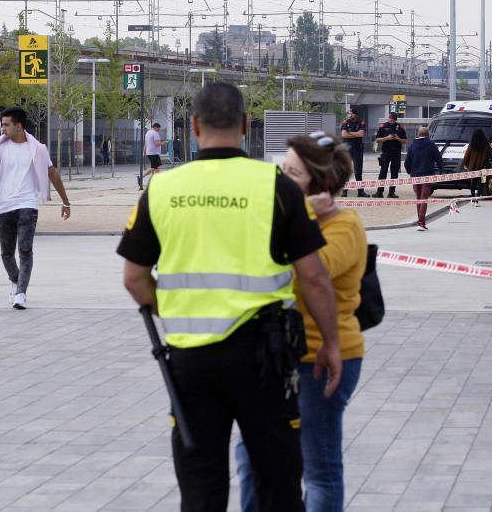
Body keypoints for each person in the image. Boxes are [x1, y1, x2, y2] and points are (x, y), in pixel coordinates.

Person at [118, 83, 342, 511]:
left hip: (190, 361)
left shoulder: (162, 189)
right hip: (265, 359)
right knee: (277, 482)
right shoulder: (277, 185)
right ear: (245, 125)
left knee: (201, 487)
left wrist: (176, 308)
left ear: (195, 125)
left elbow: (134, 279)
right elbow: (314, 278)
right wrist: (330, 343)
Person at [235, 131, 368, 512]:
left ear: (319, 184)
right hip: (274, 355)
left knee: (318, 468)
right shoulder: (280, 215)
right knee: (251, 457)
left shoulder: (344, 226)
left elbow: (311, 273)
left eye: (292, 173)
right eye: (282, 169)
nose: (281, 178)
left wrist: (301, 213)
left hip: (322, 358)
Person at [0, 106, 71, 310]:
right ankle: (16, 279)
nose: (3, 129)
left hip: (27, 205)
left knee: (25, 250)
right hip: (4, 206)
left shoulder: (37, 149)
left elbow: (52, 173)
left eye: (6, 125)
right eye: (2, 124)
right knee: (6, 254)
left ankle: (21, 293)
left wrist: (65, 201)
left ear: (18, 126)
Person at [404, 125, 444, 231]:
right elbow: (438, 159)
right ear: (428, 135)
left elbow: (407, 162)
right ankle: (421, 222)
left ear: (418, 134)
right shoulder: (431, 145)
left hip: (415, 175)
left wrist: (410, 171)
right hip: (427, 174)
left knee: (418, 198)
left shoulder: (412, 145)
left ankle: (420, 221)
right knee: (424, 199)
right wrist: (441, 171)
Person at [373, 112, 406, 199]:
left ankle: (392, 192)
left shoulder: (400, 127)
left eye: (393, 119)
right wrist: (386, 138)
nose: (391, 120)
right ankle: (379, 192)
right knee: (383, 172)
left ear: (395, 119)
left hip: (396, 152)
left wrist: (398, 138)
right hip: (386, 152)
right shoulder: (383, 126)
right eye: (390, 118)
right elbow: (377, 140)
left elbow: (405, 141)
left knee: (395, 173)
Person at [340, 108, 369, 197]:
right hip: (347, 149)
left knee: (358, 172)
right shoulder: (345, 122)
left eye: (351, 114)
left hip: (357, 149)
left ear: (355, 114)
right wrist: (356, 133)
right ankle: (345, 192)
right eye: (349, 113)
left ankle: (360, 192)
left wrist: (350, 133)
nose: (349, 115)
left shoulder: (361, 122)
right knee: (346, 171)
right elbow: (343, 134)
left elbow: (361, 134)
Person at [461, 129, 492, 207]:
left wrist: (467, 165)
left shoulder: (472, 145)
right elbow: (491, 153)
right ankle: (477, 199)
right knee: (481, 183)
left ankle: (473, 199)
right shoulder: (486, 144)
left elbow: (466, 157)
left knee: (473, 183)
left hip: (473, 168)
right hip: (484, 169)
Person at [138, 122, 168, 189]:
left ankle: (154, 182)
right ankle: (142, 177)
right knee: (154, 168)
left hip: (149, 152)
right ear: (155, 127)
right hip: (154, 153)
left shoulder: (148, 133)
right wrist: (164, 143)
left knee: (156, 168)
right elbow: (157, 144)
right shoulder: (155, 133)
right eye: (158, 129)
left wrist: (144, 151)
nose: (159, 130)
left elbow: (146, 143)